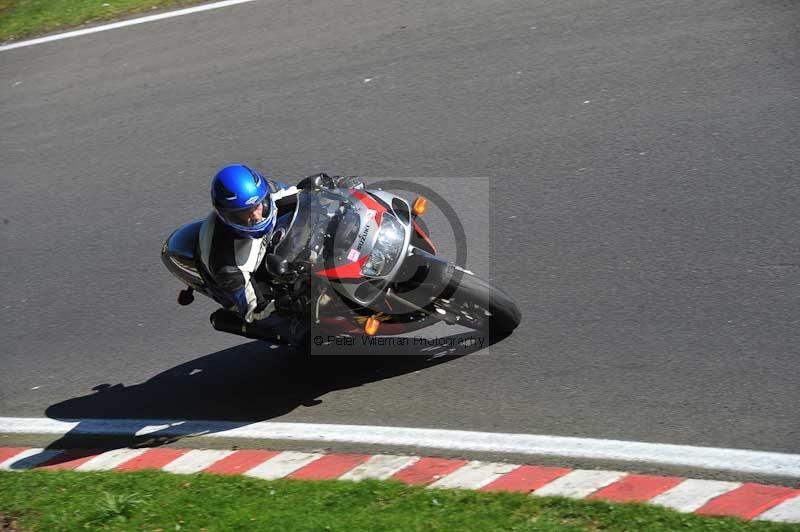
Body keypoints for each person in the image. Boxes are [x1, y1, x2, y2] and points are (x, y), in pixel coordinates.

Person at [198, 163, 361, 323]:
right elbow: (255, 310)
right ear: (228, 216)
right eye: (245, 213)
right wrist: (283, 303)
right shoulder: (228, 264)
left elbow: (302, 194)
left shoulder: (268, 192)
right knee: (303, 321)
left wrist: (335, 186)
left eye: (258, 206)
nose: (256, 216)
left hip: (272, 240)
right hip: (250, 272)